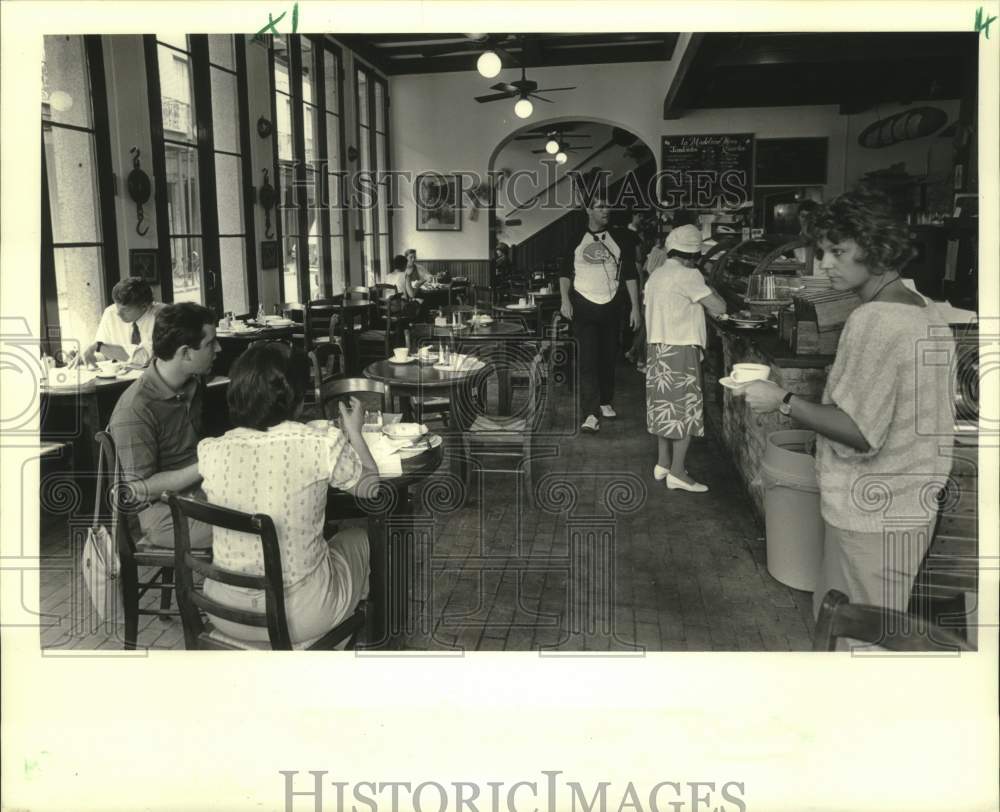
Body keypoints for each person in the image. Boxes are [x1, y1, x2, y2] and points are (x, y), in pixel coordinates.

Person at [741, 191, 954, 620]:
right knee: (873, 630)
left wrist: (782, 400)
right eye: (822, 251)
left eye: (838, 251)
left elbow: (860, 433)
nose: (825, 265)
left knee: (851, 641)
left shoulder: (874, 321)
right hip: (909, 506)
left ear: (877, 249)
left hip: (870, 513)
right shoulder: (925, 312)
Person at [196, 342, 379, 645]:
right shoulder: (318, 442)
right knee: (361, 538)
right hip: (296, 616)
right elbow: (373, 490)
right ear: (295, 397)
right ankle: (343, 642)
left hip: (223, 610)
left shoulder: (211, 450)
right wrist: (355, 433)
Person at [108, 302, 220, 548]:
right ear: (185, 353)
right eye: (211, 343)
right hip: (163, 516)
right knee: (264, 526)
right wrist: (209, 463)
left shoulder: (193, 383)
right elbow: (138, 490)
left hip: (199, 494)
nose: (218, 348)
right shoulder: (135, 409)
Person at [644, 224, 727, 492]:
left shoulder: (656, 275)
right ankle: (678, 472)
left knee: (663, 407)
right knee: (684, 410)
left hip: (657, 349)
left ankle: (663, 463)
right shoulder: (689, 276)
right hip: (680, 349)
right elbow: (719, 307)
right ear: (693, 254)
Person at [559, 194, 640, 433]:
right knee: (587, 361)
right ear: (589, 210)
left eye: (608, 206)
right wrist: (565, 300)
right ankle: (590, 413)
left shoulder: (619, 238)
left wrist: (635, 306)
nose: (606, 210)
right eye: (600, 206)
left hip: (612, 305)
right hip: (583, 306)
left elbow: (630, 275)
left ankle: (605, 401)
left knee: (608, 357)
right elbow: (564, 273)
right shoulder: (575, 239)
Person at [69, 277, 162, 368]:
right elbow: (105, 355)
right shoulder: (110, 313)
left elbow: (145, 358)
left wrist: (99, 346)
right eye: (117, 306)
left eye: (125, 310)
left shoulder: (162, 315)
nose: (118, 313)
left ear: (144, 306)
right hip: (121, 379)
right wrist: (89, 357)